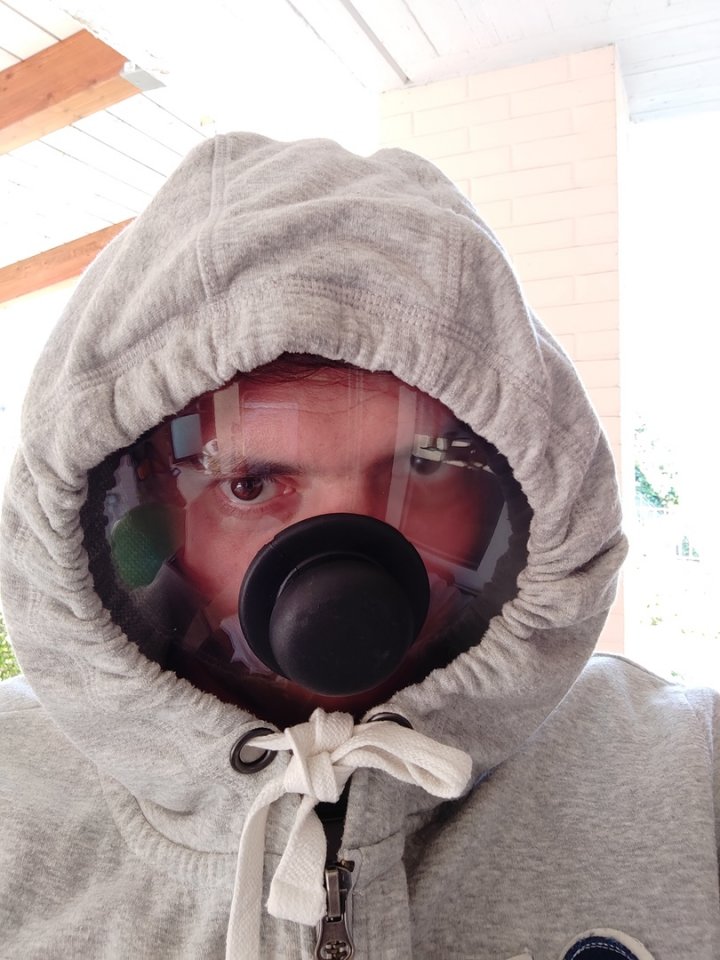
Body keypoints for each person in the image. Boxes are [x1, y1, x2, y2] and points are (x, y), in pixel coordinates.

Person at [0, 133, 717, 960]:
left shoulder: (691, 775)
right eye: (250, 483)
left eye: (424, 467)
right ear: (155, 521)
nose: (350, 568)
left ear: (508, 500)